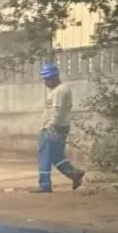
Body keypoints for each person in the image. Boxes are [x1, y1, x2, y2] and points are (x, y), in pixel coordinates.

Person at [36, 63, 85, 193]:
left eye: (48, 79)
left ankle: (44, 185)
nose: (46, 82)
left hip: (53, 128)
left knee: (44, 156)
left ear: (55, 77)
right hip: (59, 127)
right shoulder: (59, 90)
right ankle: (74, 174)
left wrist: (50, 126)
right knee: (56, 157)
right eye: (45, 79)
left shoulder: (59, 90)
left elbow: (57, 110)